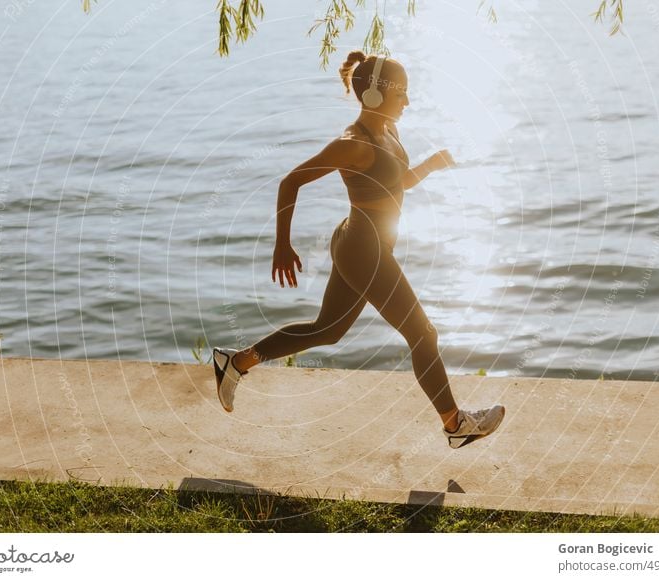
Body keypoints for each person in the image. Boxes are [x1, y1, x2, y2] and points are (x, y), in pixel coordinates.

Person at [213, 51, 504, 449]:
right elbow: (290, 181)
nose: (407, 102)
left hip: (360, 244)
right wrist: (282, 243)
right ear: (374, 96)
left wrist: (432, 165)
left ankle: (236, 362)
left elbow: (398, 182)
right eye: (401, 94)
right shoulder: (353, 143)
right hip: (362, 249)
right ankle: (455, 424)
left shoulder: (389, 131)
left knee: (328, 330)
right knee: (423, 333)